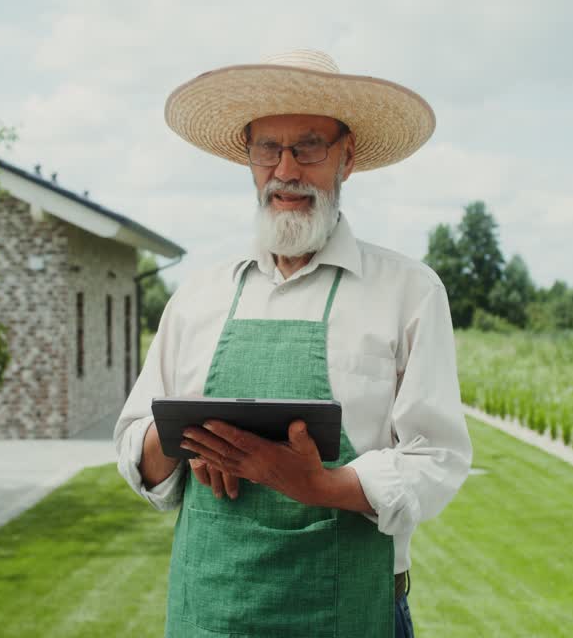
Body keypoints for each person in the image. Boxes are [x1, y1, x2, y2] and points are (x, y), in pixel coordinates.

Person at [114, 49, 472, 637]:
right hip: (213, 615)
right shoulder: (198, 298)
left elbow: (438, 457)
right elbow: (137, 451)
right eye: (267, 150)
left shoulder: (409, 292)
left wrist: (318, 484)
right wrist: (191, 441)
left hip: (347, 613)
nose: (286, 171)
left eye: (308, 147)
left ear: (347, 157)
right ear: (248, 159)